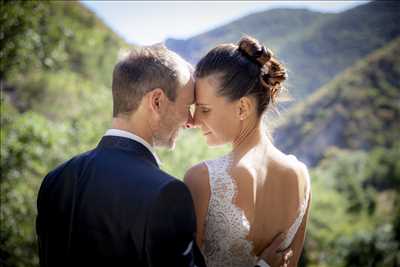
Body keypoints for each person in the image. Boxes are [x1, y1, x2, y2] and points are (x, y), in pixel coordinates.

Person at [36, 44, 291, 267]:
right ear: (156, 102)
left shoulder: (56, 180)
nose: (191, 120)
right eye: (188, 106)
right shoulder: (166, 194)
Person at [184, 36, 311, 267]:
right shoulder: (302, 176)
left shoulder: (203, 179)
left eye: (204, 109)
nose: (193, 120)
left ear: (243, 107)